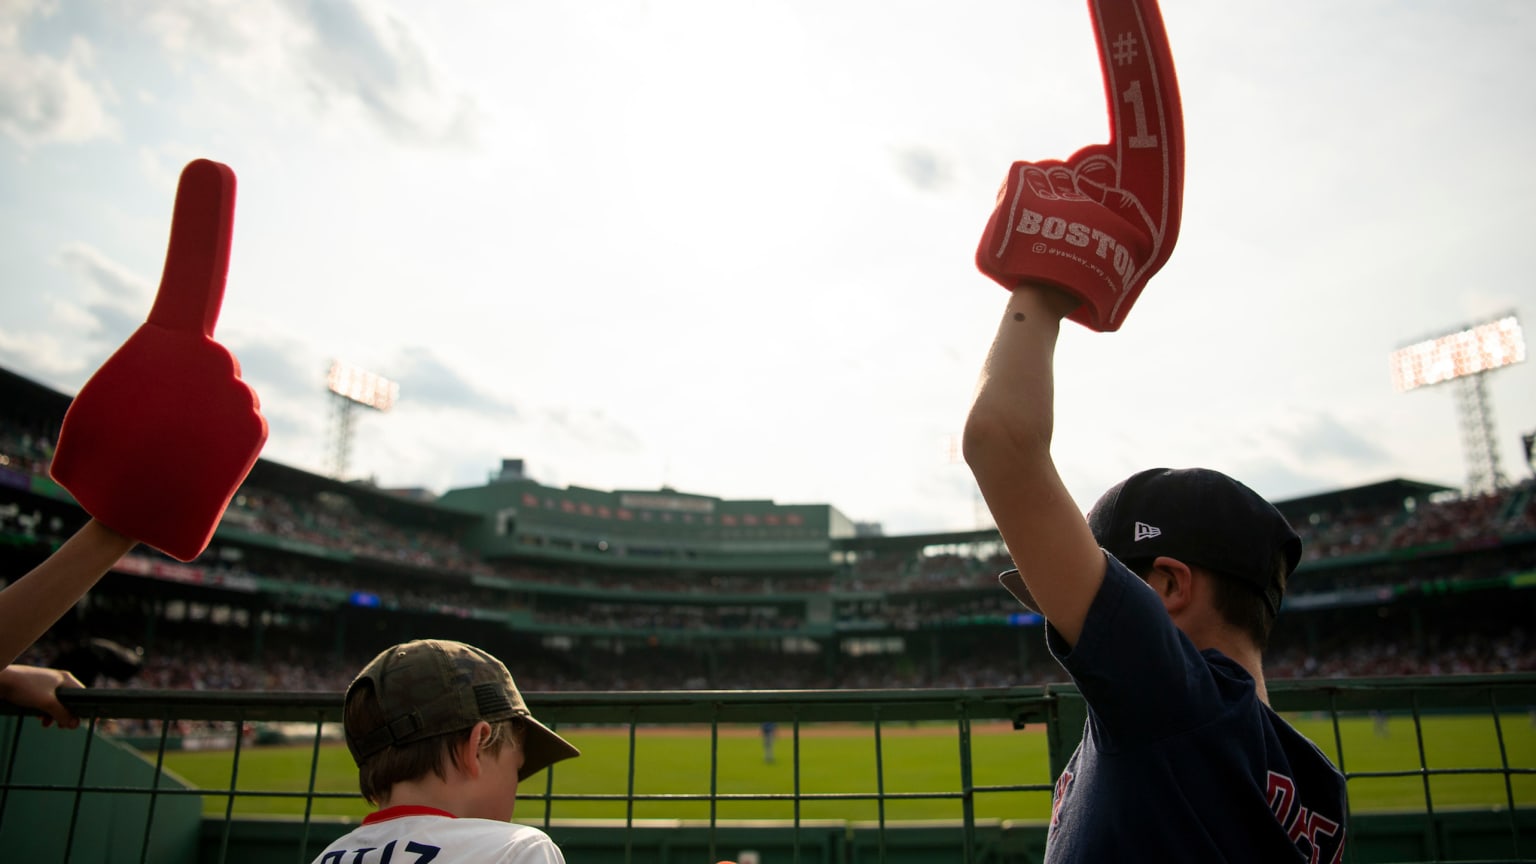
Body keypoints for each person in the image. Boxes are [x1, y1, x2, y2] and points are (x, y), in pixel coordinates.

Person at [963, 287, 1348, 861]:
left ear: (1168, 586)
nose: (1057, 604)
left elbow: (998, 441)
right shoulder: (1315, 781)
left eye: (1105, 577)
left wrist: (1042, 289)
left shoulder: (1169, 700)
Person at [310, 639, 582, 864]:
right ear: (478, 746)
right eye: (517, 768)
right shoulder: (517, 850)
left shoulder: (325, 857)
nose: (516, 785)